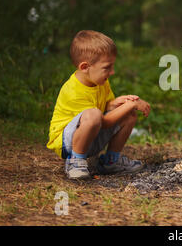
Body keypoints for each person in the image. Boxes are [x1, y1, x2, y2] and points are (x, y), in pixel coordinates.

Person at [47, 30, 151, 180]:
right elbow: (104, 122)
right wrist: (130, 104)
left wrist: (119, 103)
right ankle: (75, 161)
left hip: (92, 134)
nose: (112, 72)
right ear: (85, 67)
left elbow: (106, 106)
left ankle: (110, 161)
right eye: (107, 67)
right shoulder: (74, 91)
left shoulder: (100, 81)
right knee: (95, 114)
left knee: (128, 115)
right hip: (67, 143)